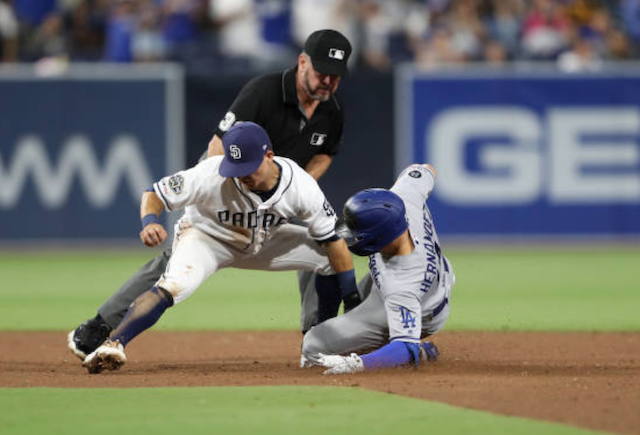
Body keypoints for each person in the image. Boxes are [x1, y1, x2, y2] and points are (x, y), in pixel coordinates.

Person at [68, 29, 356, 360]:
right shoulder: (265, 92)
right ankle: (101, 325)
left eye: (336, 77)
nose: (329, 82)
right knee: (171, 264)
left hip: (273, 200)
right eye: (323, 73)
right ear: (302, 62)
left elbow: (325, 153)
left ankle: (317, 341)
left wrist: (293, 193)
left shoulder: (332, 110)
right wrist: (225, 190)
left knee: (321, 244)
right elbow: (220, 147)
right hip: (225, 191)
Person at [82, 122, 357, 374]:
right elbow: (154, 193)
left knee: (326, 255)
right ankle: (114, 343)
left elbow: (333, 241)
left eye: (249, 166)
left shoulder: (300, 186)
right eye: (236, 167)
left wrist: (353, 298)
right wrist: (150, 221)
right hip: (207, 239)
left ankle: (320, 345)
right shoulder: (210, 173)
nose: (242, 175)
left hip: (263, 240)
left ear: (269, 156)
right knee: (174, 285)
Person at [300, 163, 455, 374]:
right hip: (436, 281)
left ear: (382, 236)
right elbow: (425, 169)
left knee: (313, 345)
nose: (352, 238)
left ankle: (421, 352)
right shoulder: (404, 198)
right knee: (353, 309)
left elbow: (404, 345)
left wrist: (358, 364)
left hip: (424, 311)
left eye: (358, 234)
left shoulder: (402, 284)